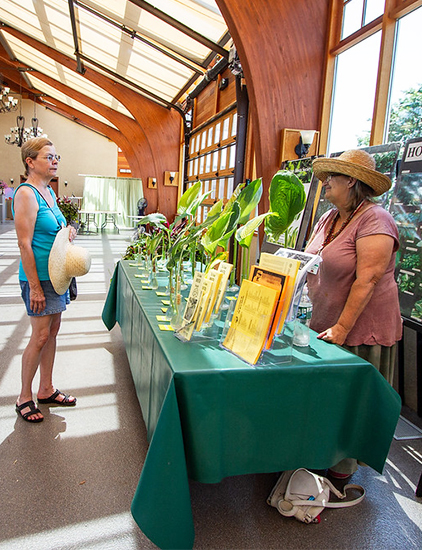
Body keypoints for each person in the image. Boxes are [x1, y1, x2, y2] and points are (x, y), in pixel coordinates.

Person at [305, 149, 402, 478]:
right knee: (329, 401)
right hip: (324, 321)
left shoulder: (376, 219)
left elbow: (369, 278)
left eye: (333, 176)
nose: (326, 182)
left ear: (352, 181)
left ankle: (340, 475)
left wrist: (343, 328)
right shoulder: (328, 217)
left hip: (359, 328)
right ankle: (320, 455)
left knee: (351, 404)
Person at [12, 137, 77, 423]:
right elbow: (25, 245)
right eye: (49, 157)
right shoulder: (26, 193)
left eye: (56, 157)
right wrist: (35, 287)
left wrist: (69, 231)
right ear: (30, 161)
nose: (55, 161)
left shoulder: (48, 191)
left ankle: (46, 388)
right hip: (38, 278)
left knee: (53, 331)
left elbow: (56, 228)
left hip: (56, 274)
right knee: (39, 336)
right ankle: (24, 396)